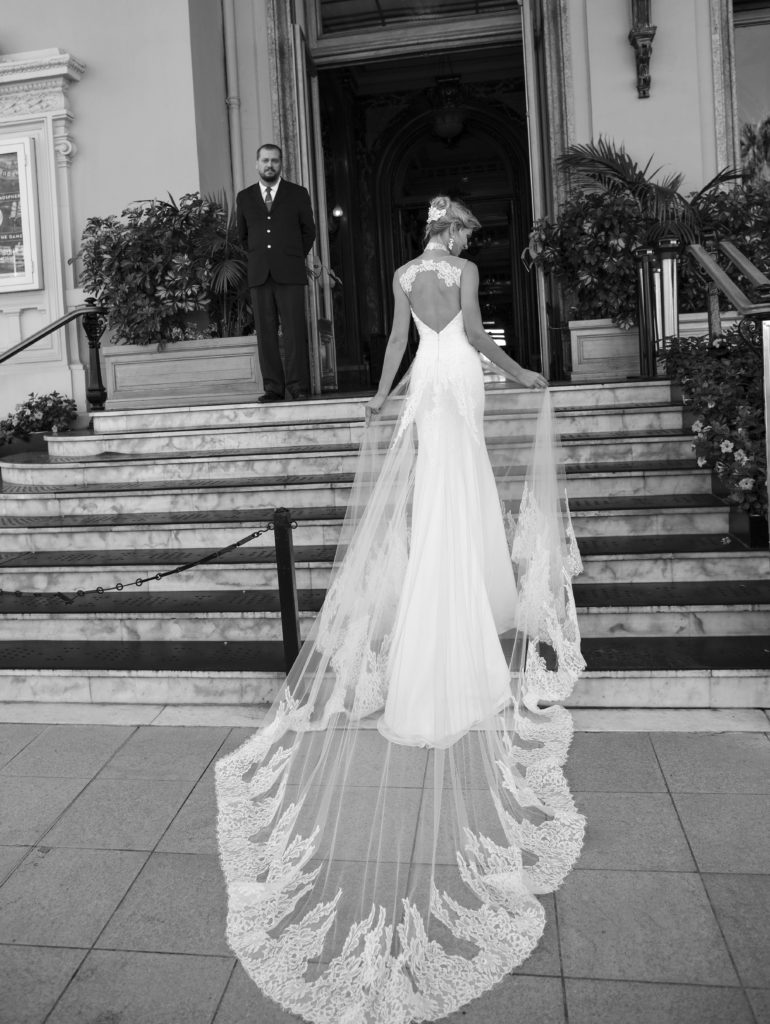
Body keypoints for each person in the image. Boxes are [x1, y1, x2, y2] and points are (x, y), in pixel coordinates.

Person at [216, 195, 585, 1024]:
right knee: (466, 481)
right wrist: (522, 374)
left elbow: (395, 343)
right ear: (453, 233)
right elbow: (477, 339)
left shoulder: (402, 273)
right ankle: (470, 598)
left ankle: (443, 590)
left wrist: (383, 397)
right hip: (461, 380)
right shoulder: (464, 272)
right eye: (465, 232)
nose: (465, 242)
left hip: (423, 386)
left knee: (434, 488)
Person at [237, 144, 316, 402]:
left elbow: (309, 231)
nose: (269, 165)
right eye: (265, 160)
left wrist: (292, 256)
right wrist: (262, 256)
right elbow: (243, 236)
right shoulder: (244, 197)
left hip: (290, 273)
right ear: (257, 164)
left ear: (281, 164)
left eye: (274, 160)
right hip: (260, 274)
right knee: (266, 333)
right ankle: (273, 388)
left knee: (294, 331)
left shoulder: (298, 193)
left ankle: (298, 386)